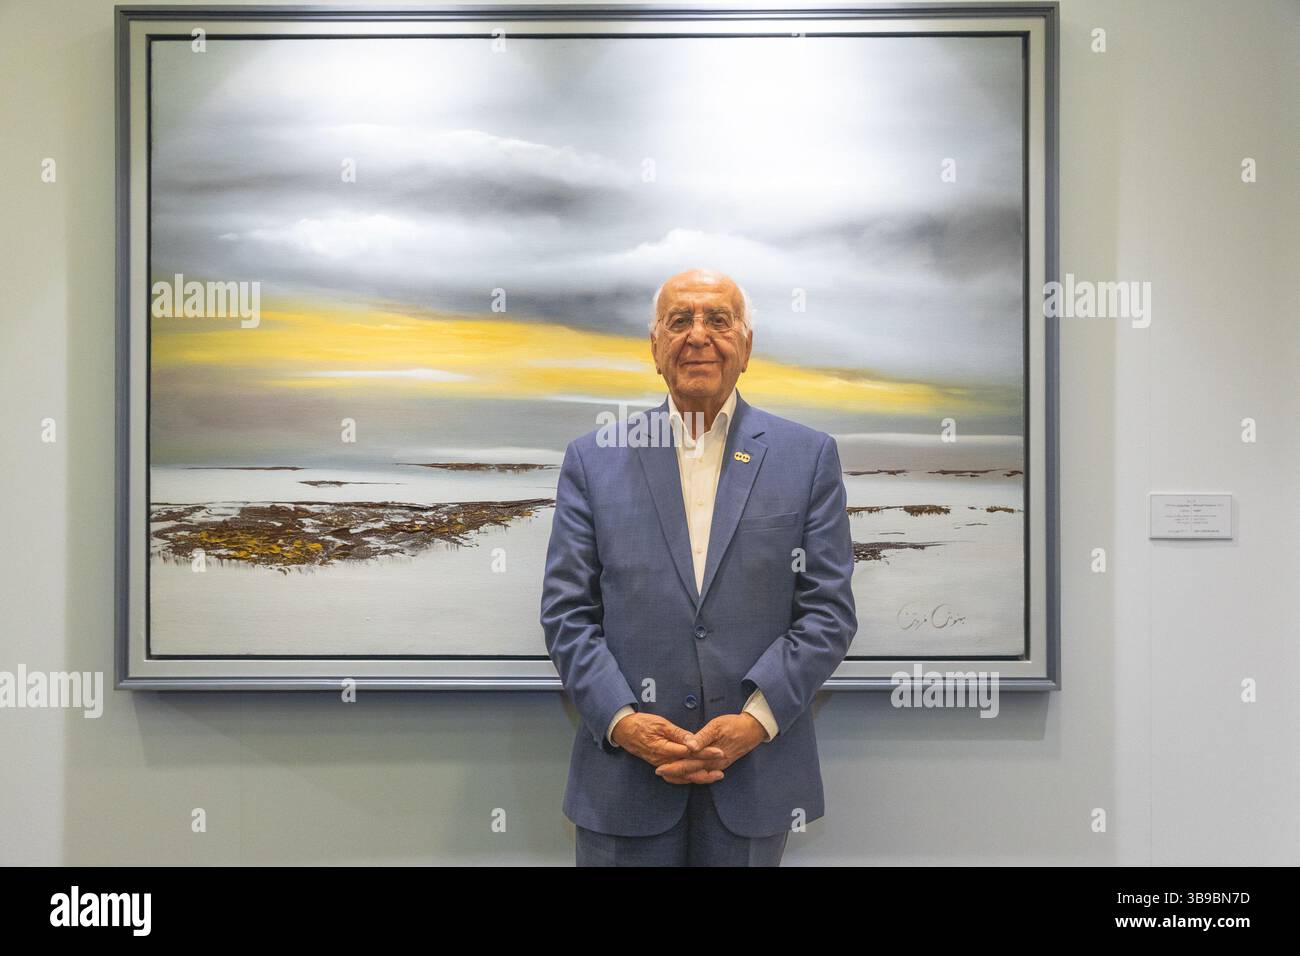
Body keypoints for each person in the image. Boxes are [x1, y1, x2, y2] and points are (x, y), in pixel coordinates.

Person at [540, 267, 857, 866]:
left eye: (718, 319)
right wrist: (624, 721)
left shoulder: (809, 457)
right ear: (655, 347)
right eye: (679, 320)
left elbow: (828, 613)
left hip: (755, 775)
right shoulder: (592, 458)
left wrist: (756, 721)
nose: (698, 336)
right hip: (622, 781)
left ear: (747, 345)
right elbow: (567, 614)